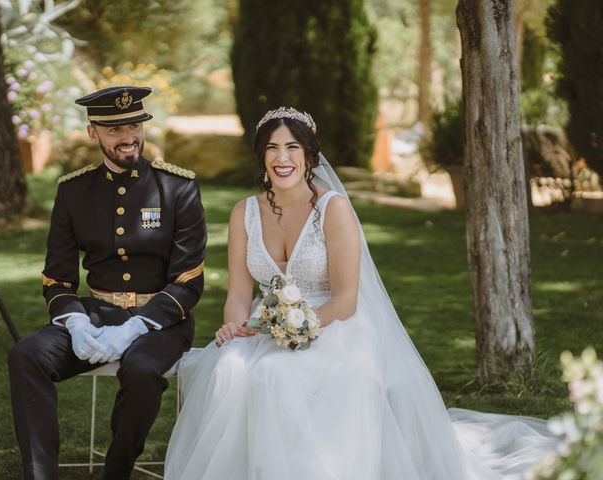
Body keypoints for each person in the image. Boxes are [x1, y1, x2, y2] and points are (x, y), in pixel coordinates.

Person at [163, 107, 557, 480]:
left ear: (309, 156)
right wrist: (234, 326)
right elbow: (237, 292)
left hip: (333, 324)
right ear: (261, 157)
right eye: (272, 148)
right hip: (263, 323)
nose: (282, 158)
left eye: (292, 147)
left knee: (274, 374)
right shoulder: (243, 213)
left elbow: (346, 298)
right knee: (228, 369)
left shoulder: (331, 210)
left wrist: (296, 329)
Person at [7, 85, 206, 480]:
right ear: (92, 133)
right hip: (95, 312)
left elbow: (187, 281)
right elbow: (57, 278)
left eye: (135, 125)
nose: (128, 136)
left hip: (162, 321)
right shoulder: (72, 191)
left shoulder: (177, 187)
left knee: (142, 369)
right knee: (25, 356)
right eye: (115, 129)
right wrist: (75, 322)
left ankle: (116, 472)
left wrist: (137, 325)